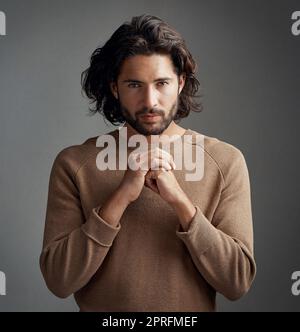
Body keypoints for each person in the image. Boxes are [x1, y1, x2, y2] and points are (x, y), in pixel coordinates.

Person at [39, 14, 256, 312]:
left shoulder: (225, 161)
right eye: (134, 84)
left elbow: (237, 282)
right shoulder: (74, 164)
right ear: (115, 88)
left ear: (180, 84)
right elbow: (59, 281)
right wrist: (120, 197)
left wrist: (180, 201)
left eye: (162, 83)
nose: (150, 100)